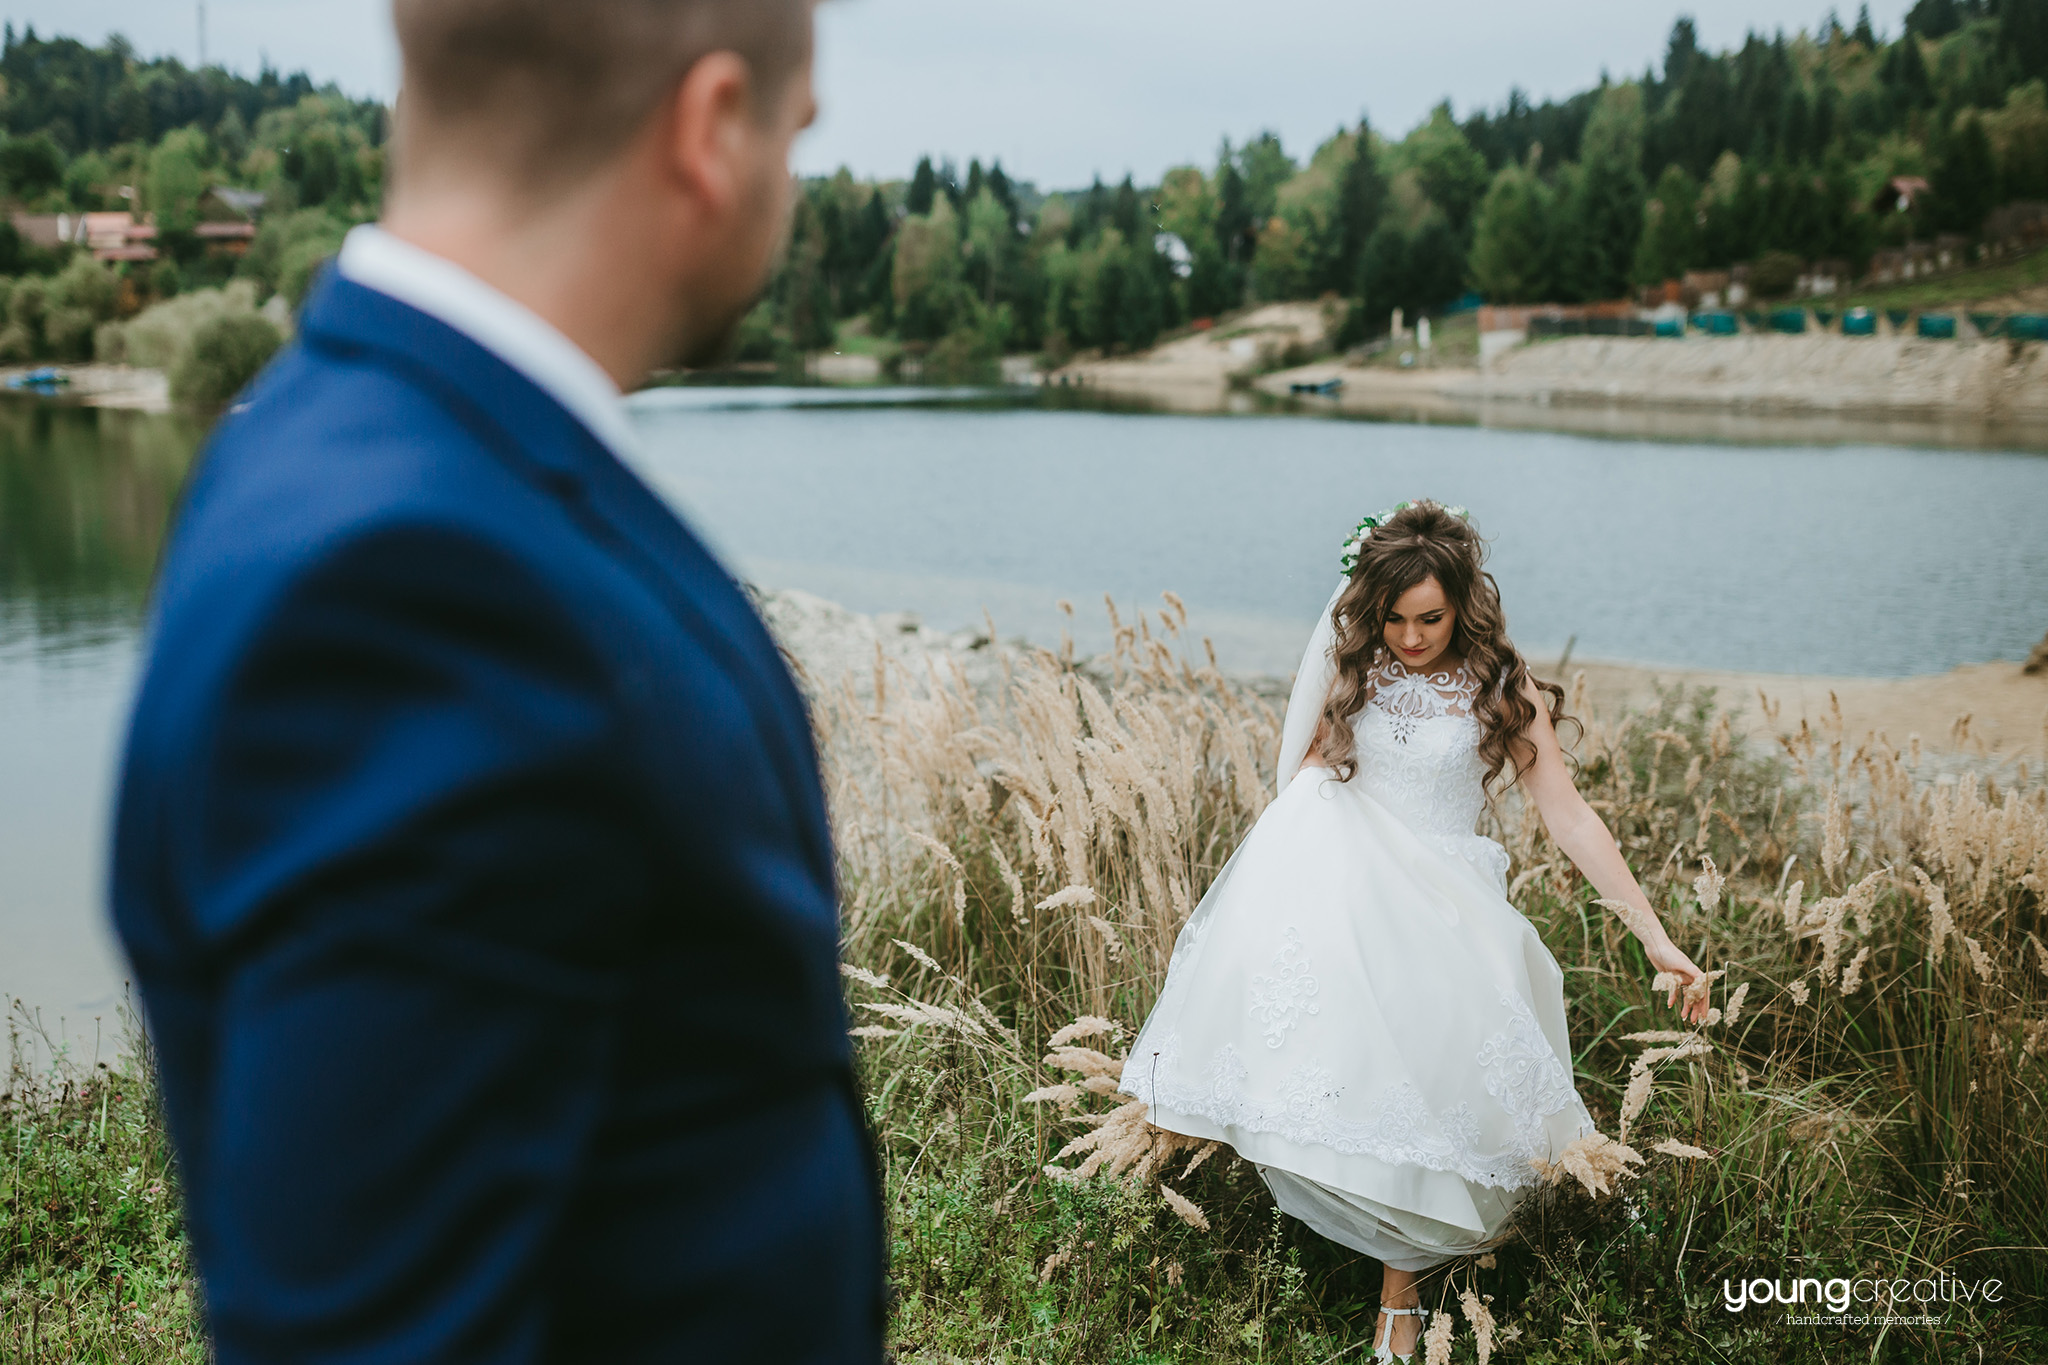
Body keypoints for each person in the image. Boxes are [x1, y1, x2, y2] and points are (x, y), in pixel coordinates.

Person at [109, 1, 887, 1359]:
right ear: (710, 130)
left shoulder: (369, 436)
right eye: (795, 132)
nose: (791, 185)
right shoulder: (410, 596)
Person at [1124, 499, 1708, 1365]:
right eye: (1392, 617)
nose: (1408, 636)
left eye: (1429, 617)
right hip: (1351, 897)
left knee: (1437, 1092)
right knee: (1350, 1078)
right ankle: (1261, 1252)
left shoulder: (1500, 687)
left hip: (1446, 907)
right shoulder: (1354, 667)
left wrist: (1653, 933)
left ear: (1465, 602)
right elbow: (1310, 782)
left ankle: (1400, 1301)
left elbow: (1572, 819)